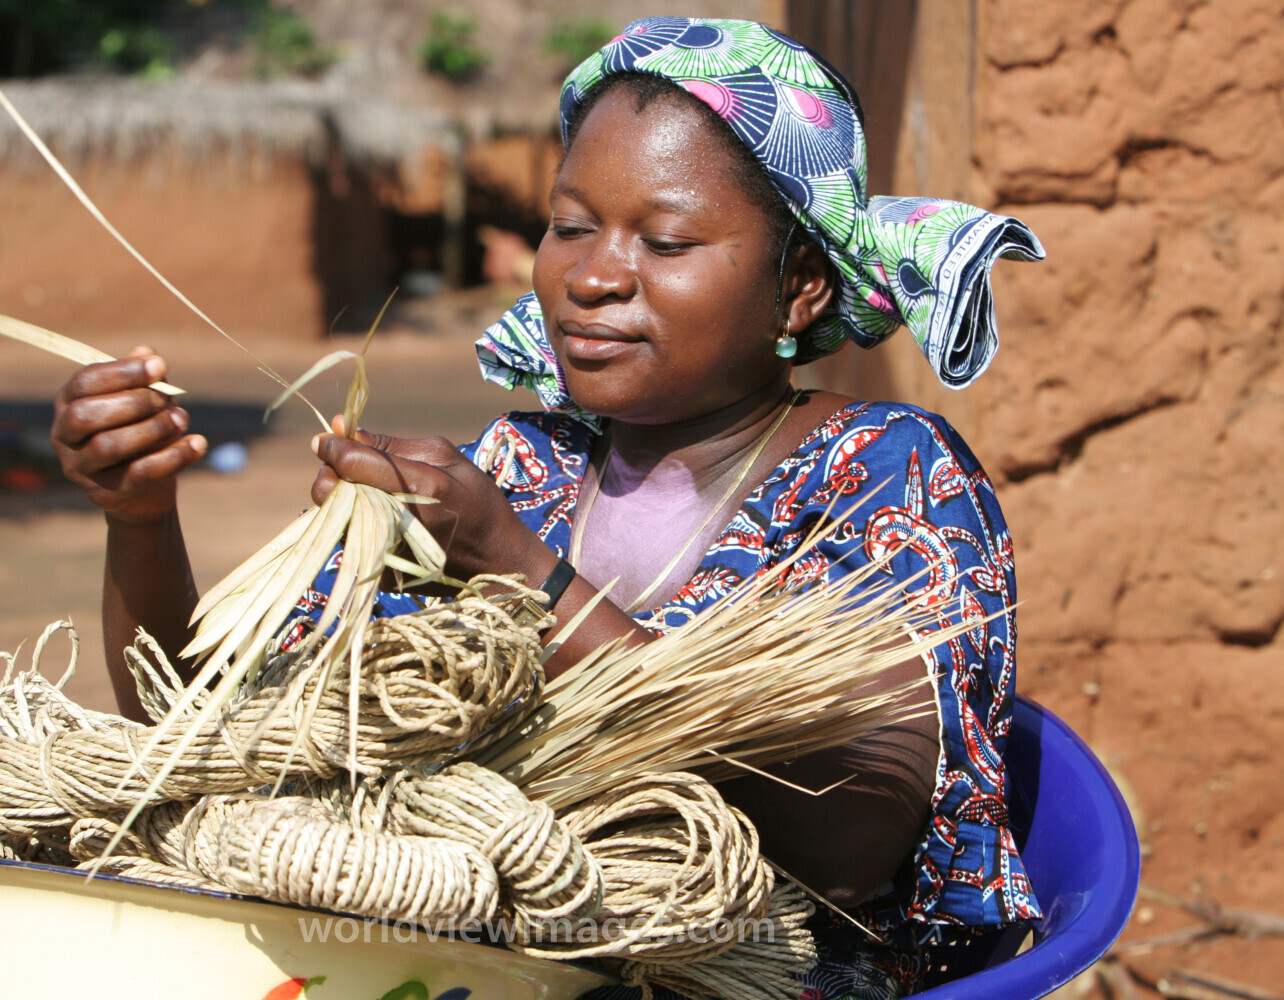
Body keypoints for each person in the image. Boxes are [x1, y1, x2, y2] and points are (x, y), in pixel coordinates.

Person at [52, 18, 1044, 998]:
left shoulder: (882, 477)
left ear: (799, 286)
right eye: (569, 227)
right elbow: (204, 740)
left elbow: (849, 842)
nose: (593, 276)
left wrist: (520, 571)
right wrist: (138, 517)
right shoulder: (520, 469)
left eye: (664, 240)